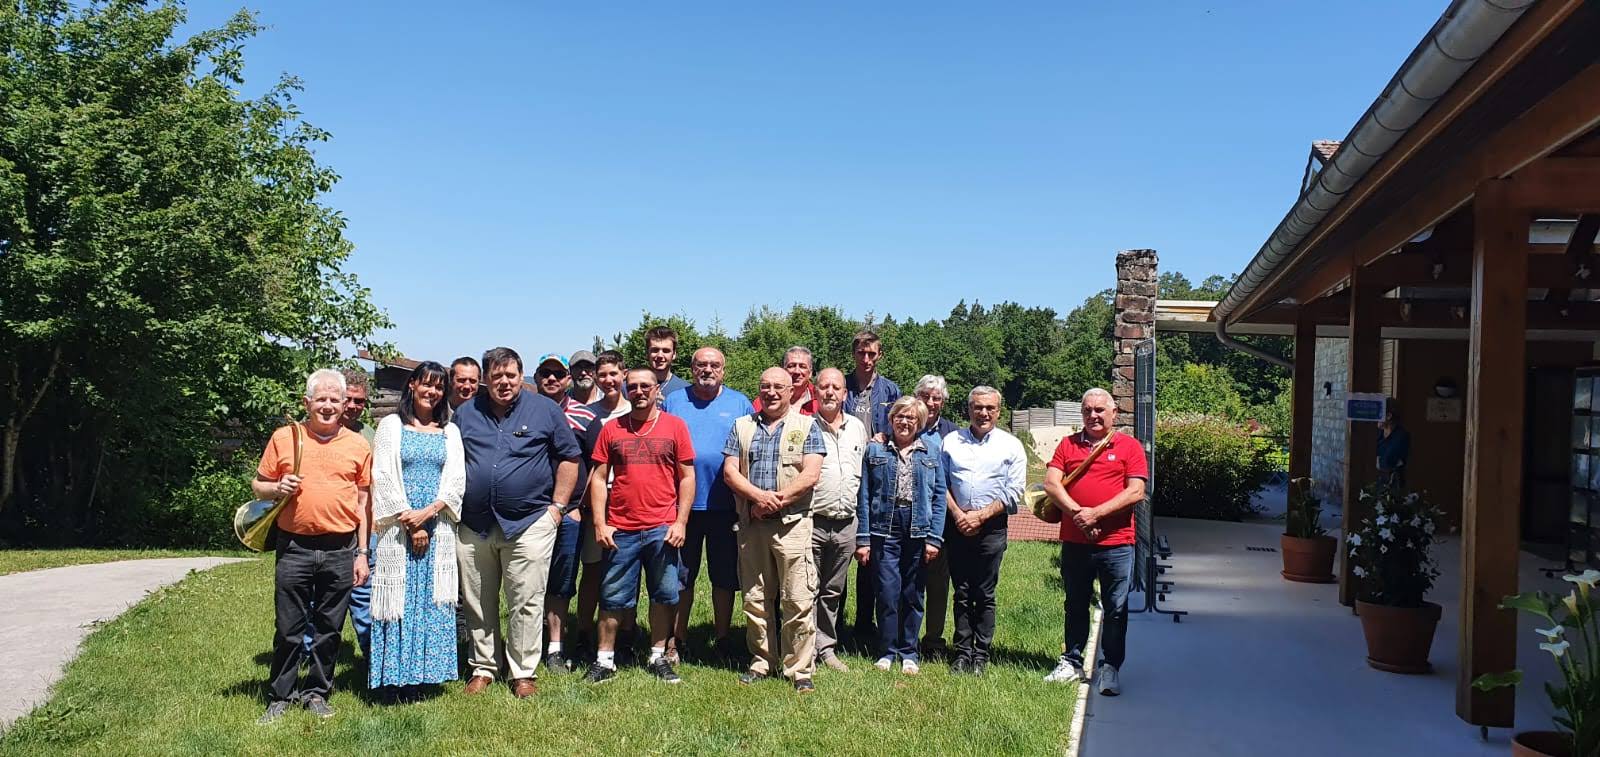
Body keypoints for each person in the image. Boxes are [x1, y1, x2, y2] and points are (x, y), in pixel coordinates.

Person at [453, 347, 582, 699]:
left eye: (511, 375)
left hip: (528, 522)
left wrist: (557, 508)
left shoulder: (544, 410)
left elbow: (570, 457)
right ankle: (483, 666)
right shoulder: (465, 414)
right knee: (478, 599)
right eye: (496, 377)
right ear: (485, 379)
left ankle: (523, 670)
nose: (504, 383)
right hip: (474, 523)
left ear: (520, 376)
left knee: (526, 599)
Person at [253, 369, 372, 724]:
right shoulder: (285, 437)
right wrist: (276, 489)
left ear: (344, 404)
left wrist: (362, 553)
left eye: (335, 400)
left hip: (340, 547)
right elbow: (258, 484)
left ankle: (317, 693)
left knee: (329, 628)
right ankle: (281, 696)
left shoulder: (358, 444)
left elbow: (364, 502)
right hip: (294, 547)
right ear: (307, 403)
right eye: (321, 399)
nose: (328, 406)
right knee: (289, 628)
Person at [582, 368, 696, 684]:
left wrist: (681, 521)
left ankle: (658, 656)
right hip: (621, 528)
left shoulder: (676, 427)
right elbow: (599, 479)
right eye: (633, 386)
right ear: (625, 390)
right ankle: (605, 660)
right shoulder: (612, 429)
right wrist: (600, 523)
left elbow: (687, 477)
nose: (639, 391)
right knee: (613, 597)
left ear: (657, 388)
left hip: (662, 526)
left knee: (664, 595)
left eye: (646, 386)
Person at [722, 367, 827, 692]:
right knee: (755, 598)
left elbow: (811, 474)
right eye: (765, 386)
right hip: (752, 526)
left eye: (778, 387)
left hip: (792, 526)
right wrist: (757, 499)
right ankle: (761, 662)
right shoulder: (741, 426)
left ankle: (799, 669)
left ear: (790, 390)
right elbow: (730, 472)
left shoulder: (807, 425)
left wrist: (776, 501)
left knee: (797, 598)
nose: (771, 392)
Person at [1042, 388, 1148, 697]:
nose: (1094, 415)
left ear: (1114, 413)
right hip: (1075, 541)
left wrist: (1097, 514)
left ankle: (1109, 667)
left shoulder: (1129, 447)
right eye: (1088, 410)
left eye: (1100, 410)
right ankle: (1072, 662)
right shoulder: (1068, 445)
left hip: (1117, 544)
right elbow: (1050, 483)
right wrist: (1079, 513)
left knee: (1116, 608)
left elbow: (1135, 492)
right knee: (1075, 603)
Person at [368, 361, 465, 699]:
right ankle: (394, 678)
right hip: (399, 527)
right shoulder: (392, 426)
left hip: (438, 528)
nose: (432, 392)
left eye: (438, 387)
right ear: (412, 385)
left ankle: (426, 677)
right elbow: (382, 477)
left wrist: (430, 513)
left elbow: (455, 481)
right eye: (426, 384)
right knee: (399, 601)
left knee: (433, 601)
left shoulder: (449, 430)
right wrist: (411, 521)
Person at [662, 347, 753, 663]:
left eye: (715, 365)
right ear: (692, 368)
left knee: (724, 576)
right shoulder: (674, 402)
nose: (708, 370)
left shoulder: (739, 402)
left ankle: (723, 637)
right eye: (702, 364)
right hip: (681, 507)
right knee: (681, 576)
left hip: (725, 505)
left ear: (723, 371)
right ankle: (677, 639)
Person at [855, 396, 945, 675]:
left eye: (911, 418)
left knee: (913, 593)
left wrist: (934, 538)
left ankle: (909, 651)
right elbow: (865, 494)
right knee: (887, 592)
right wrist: (863, 538)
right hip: (885, 527)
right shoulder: (876, 450)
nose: (905, 422)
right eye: (900, 417)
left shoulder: (930, 451)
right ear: (891, 419)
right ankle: (887, 650)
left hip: (918, 528)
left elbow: (940, 496)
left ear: (919, 423)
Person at [940, 386, 1026, 676]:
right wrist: (958, 514)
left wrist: (980, 516)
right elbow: (941, 483)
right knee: (961, 592)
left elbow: (1015, 491)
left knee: (985, 593)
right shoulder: (951, 441)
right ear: (969, 409)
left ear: (999, 411)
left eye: (990, 408)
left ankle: (981, 654)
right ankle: (962, 653)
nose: (984, 413)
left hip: (991, 527)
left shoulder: (1011, 445)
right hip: (957, 525)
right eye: (978, 407)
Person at [533, 353, 598, 674]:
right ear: (536, 376)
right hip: (529, 512)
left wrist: (578, 508)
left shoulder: (584, 416)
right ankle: (527, 643)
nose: (552, 379)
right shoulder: (523, 411)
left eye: (558, 374)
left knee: (561, 581)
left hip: (568, 513)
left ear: (568, 380)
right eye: (545, 373)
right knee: (528, 580)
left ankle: (555, 648)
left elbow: (597, 466)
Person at [808, 367, 867, 672]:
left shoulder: (858, 428)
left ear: (845, 394)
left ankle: (826, 647)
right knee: (807, 589)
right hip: (812, 521)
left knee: (833, 590)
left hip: (847, 523)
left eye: (836, 387)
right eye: (824, 386)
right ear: (814, 391)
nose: (830, 392)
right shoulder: (804, 427)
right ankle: (804, 650)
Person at [845, 330, 900, 645]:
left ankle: (867, 625)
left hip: (877, 479)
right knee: (838, 558)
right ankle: (835, 627)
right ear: (854, 354)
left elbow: (903, 425)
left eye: (872, 354)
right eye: (861, 353)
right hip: (843, 475)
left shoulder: (890, 390)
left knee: (871, 557)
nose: (866, 359)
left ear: (879, 356)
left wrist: (886, 437)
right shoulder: (842, 387)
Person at [573, 349, 628, 660]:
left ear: (623, 374)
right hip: (596, 502)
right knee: (592, 570)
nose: (608, 380)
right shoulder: (588, 414)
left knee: (625, 570)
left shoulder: (636, 409)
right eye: (602, 374)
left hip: (628, 502)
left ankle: (625, 633)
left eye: (613, 374)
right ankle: (583, 631)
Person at [912, 374, 958, 657]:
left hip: (939, 523)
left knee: (938, 585)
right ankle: (904, 637)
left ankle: (933, 640)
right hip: (903, 521)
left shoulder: (952, 435)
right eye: (925, 396)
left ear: (943, 402)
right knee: (906, 582)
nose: (930, 402)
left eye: (936, 398)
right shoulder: (902, 424)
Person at [753, 346, 818, 416]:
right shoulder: (763, 402)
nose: (797, 371)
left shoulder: (820, 400)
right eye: (791, 366)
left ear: (810, 372)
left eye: (802, 366)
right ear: (783, 370)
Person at [644, 325, 691, 400]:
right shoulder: (630, 388)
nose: (660, 355)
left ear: (674, 354)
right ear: (647, 353)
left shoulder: (687, 391)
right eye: (655, 350)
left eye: (666, 351)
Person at [1376, 401, 1409, 489]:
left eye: (1379, 413)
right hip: (1379, 482)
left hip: (1394, 484)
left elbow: (1389, 460)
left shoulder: (1401, 436)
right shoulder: (1379, 433)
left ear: (1388, 416)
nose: (1376, 417)